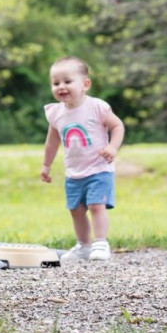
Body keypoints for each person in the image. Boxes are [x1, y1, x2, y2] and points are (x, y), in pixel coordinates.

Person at [40, 56, 125, 262]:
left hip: (98, 169)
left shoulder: (97, 107)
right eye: (56, 83)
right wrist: (46, 165)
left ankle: (101, 243)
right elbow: (52, 142)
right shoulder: (55, 113)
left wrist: (112, 146)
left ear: (85, 84)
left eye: (67, 81)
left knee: (96, 206)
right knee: (76, 210)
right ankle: (83, 245)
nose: (61, 86)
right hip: (74, 173)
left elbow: (117, 125)